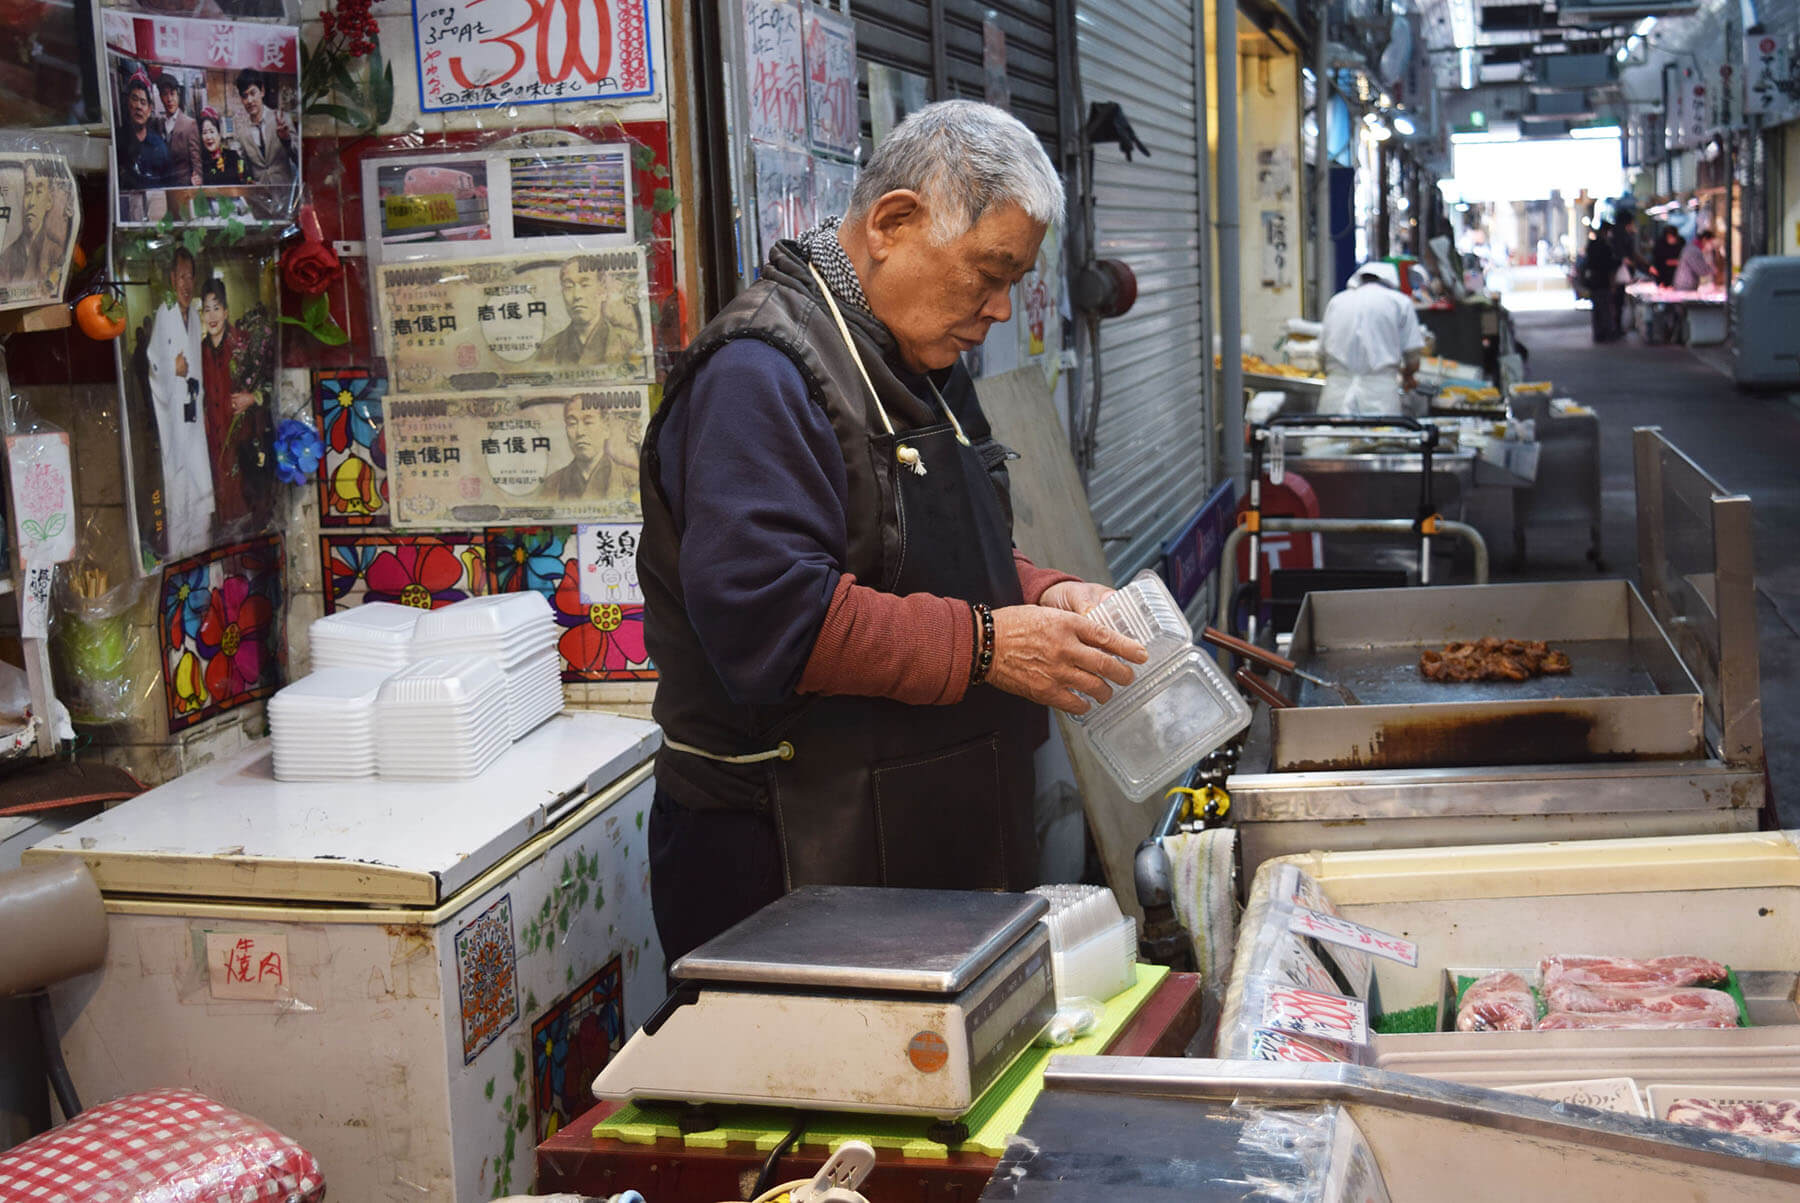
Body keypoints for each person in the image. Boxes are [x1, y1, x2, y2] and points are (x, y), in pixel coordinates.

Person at [638, 100, 1145, 963]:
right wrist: (990, 645)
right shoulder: (758, 375)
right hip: (789, 865)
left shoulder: (919, 358)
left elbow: (936, 547)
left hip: (919, 845)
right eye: (986, 273)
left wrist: (1043, 593)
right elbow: (773, 619)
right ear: (893, 222)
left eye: (1012, 283)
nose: (995, 309)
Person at [146, 250, 214, 559]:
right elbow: (153, 364)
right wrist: (170, 369)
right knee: (179, 487)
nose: (187, 284)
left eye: (191, 277)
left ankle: (201, 551)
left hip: (194, 416)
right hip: (174, 419)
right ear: (172, 279)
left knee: (200, 484)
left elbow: (197, 366)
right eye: (181, 277)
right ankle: (180, 558)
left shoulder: (196, 317)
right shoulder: (165, 313)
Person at [198, 275, 270, 531]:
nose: (212, 314)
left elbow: (270, 384)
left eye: (217, 307)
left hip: (243, 440)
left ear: (226, 311)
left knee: (247, 501)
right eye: (207, 309)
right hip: (213, 441)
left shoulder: (243, 343)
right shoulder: (199, 352)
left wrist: (252, 398)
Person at [1316, 262, 1427, 416]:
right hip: (1380, 396)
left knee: (1333, 438)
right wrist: (1407, 376)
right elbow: (1413, 358)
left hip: (1336, 394)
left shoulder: (1337, 301)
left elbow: (1321, 355)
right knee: (1380, 438)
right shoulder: (1400, 302)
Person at [535, 256, 644, 375]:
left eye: (585, 285)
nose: (577, 295)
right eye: (569, 287)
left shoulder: (629, 342)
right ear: (562, 294)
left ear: (603, 292)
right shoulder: (547, 350)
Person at [539, 394, 640, 501]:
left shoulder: (634, 480)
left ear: (606, 428)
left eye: (588, 422)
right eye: (572, 423)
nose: (580, 432)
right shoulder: (551, 484)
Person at [233, 69, 294, 199]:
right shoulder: (242, 131)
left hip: (286, 195)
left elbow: (299, 157)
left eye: (253, 93)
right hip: (260, 198)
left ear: (262, 91)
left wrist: (286, 139)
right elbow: (244, 166)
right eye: (244, 96)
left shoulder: (281, 119)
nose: (249, 100)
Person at [116, 71, 176, 195]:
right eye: (135, 99)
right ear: (128, 103)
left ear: (149, 110)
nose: (138, 106)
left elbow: (170, 185)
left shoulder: (159, 146)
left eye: (143, 102)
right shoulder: (118, 140)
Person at [156, 73, 201, 189]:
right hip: (163, 186)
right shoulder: (159, 124)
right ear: (160, 97)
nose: (169, 99)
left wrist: (197, 180)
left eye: (172, 94)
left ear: (178, 95)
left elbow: (196, 162)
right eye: (165, 94)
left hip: (183, 187)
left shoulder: (189, 124)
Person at [1609, 211, 1646, 338]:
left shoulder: (1614, 234)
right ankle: (1616, 328)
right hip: (1617, 274)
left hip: (1615, 273)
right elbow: (1626, 255)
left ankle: (1615, 327)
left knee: (1616, 302)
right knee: (1617, 302)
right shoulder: (1622, 235)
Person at [1582, 222, 1619, 342]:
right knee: (1605, 308)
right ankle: (1606, 332)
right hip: (1603, 281)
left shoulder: (1592, 245)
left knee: (1597, 308)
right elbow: (1610, 265)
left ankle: (1598, 333)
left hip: (1594, 280)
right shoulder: (1606, 246)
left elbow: (1587, 263)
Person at [197, 109, 250, 186]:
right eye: (204, 133)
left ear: (219, 134)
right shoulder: (199, 163)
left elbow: (246, 180)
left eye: (212, 131)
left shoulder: (233, 156)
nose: (208, 137)